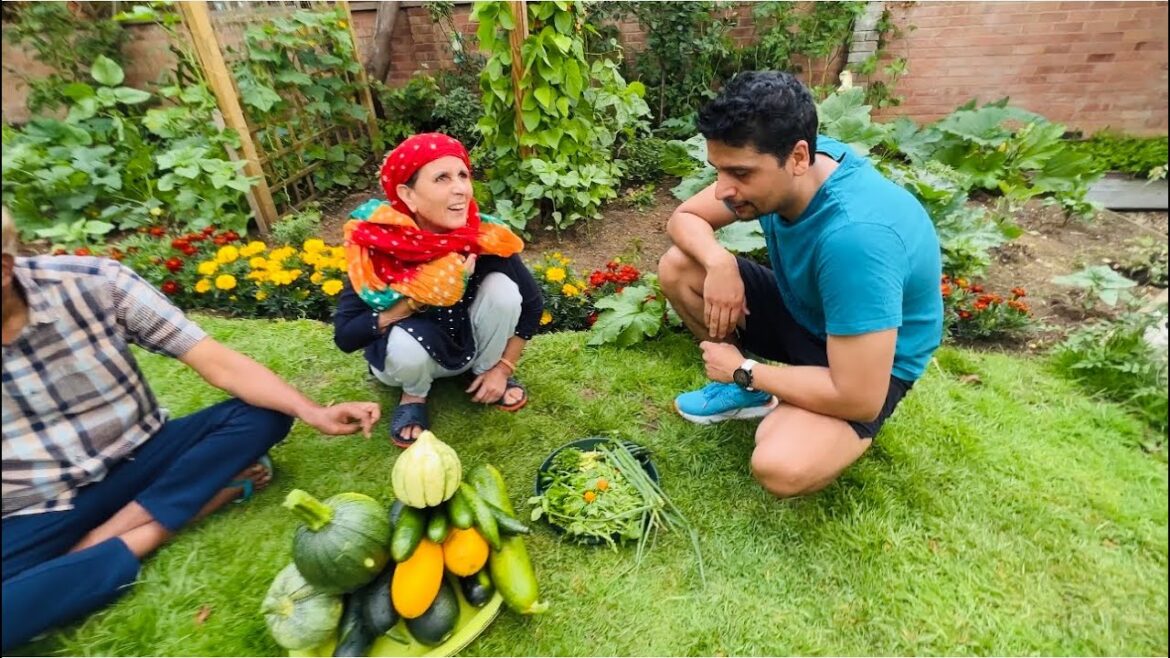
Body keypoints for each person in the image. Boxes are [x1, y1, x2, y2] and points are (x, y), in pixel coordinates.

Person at [0, 207, 381, 651]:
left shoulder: (93, 282)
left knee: (263, 415)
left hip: (144, 456)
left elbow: (213, 360)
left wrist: (313, 412)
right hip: (35, 505)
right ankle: (171, 520)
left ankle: (97, 544)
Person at [658, 71, 943, 498]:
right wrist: (719, 261)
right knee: (680, 267)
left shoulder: (857, 238)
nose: (722, 190)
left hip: (872, 366)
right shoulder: (801, 166)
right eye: (718, 170)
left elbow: (861, 397)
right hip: (809, 312)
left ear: (797, 157)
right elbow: (685, 217)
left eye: (739, 173)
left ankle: (755, 387)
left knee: (780, 465)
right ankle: (753, 394)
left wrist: (746, 370)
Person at [333, 133, 543, 448]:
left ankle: (484, 374)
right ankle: (413, 396)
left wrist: (504, 366)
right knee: (405, 346)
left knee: (503, 289)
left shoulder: (482, 237)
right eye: (441, 178)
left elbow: (532, 303)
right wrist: (418, 298)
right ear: (408, 195)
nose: (460, 188)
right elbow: (346, 336)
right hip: (407, 360)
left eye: (462, 175)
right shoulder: (377, 246)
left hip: (467, 345)